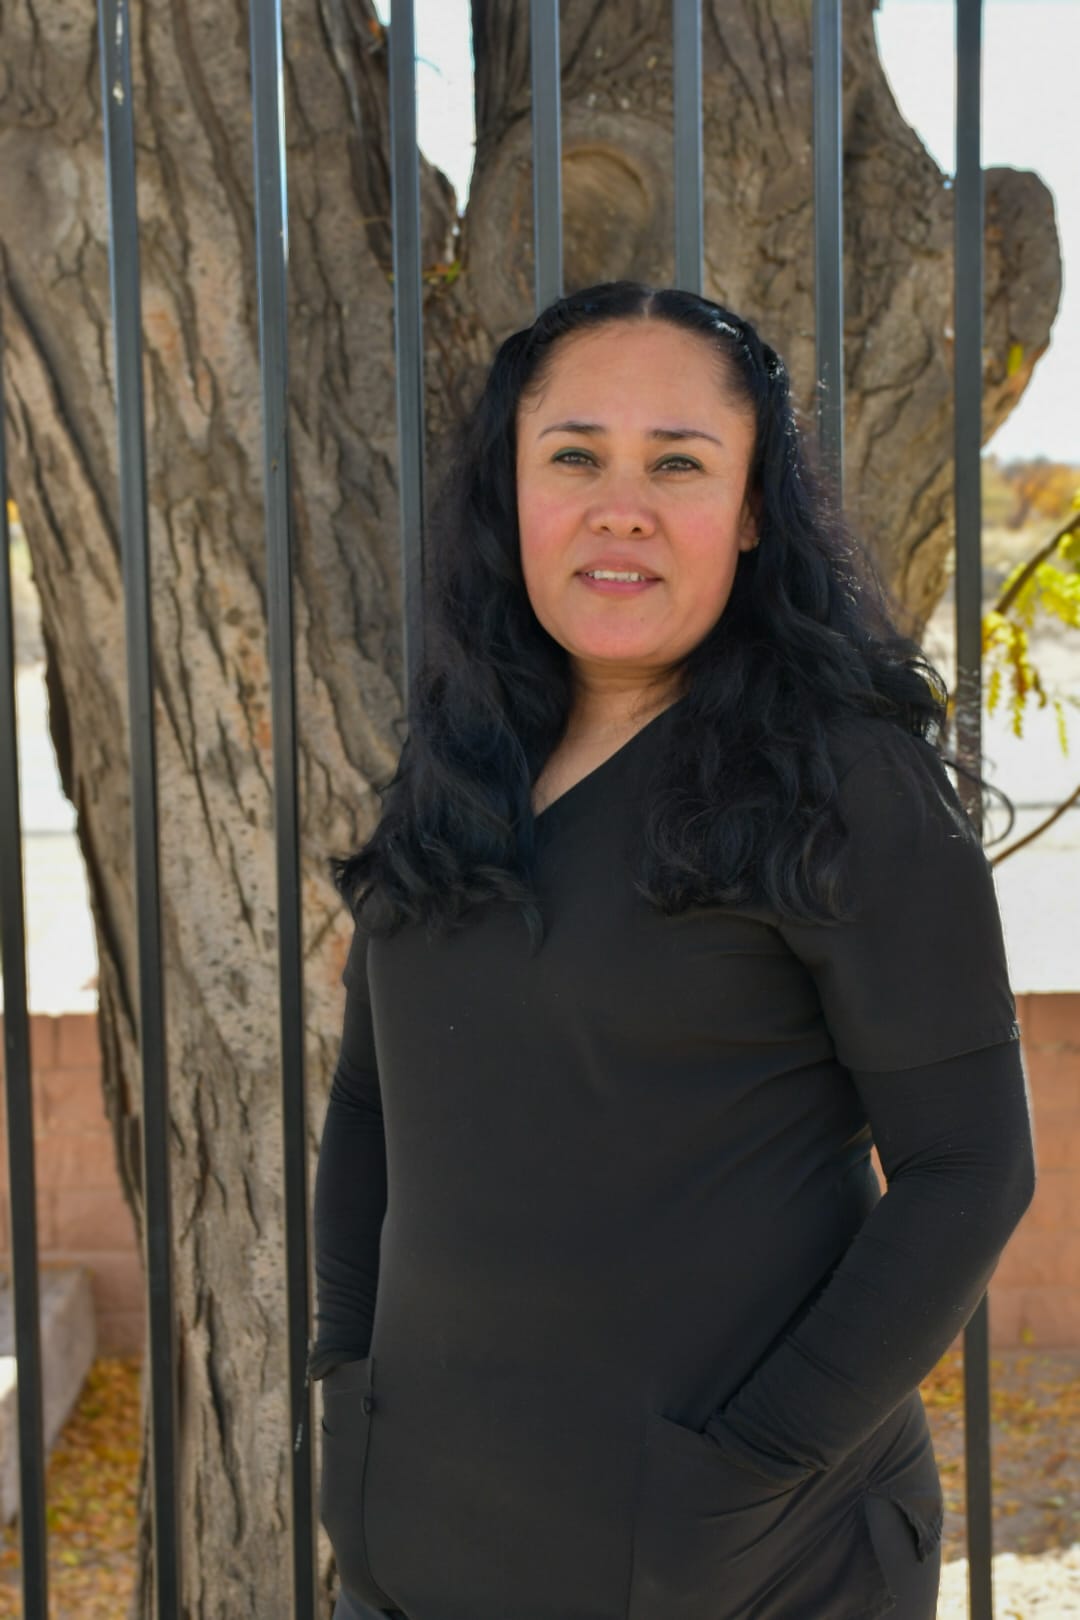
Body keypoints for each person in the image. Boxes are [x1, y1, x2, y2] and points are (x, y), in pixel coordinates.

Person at [306, 281, 1036, 1620]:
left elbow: (970, 1168)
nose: (620, 507)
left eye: (680, 464)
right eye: (574, 456)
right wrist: (347, 1385)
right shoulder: (462, 762)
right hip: (421, 1555)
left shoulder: (845, 781)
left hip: (745, 1576)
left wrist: (750, 1479)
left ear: (753, 511)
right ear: (512, 491)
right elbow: (372, 1101)